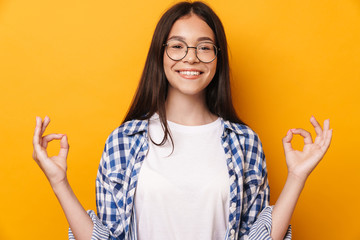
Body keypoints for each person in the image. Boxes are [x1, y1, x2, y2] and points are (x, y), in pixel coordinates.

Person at [32, 1, 333, 240]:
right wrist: (59, 182)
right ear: (160, 55)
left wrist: (297, 177)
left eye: (204, 47)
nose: (191, 57)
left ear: (218, 58)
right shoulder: (124, 141)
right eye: (177, 46)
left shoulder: (244, 142)